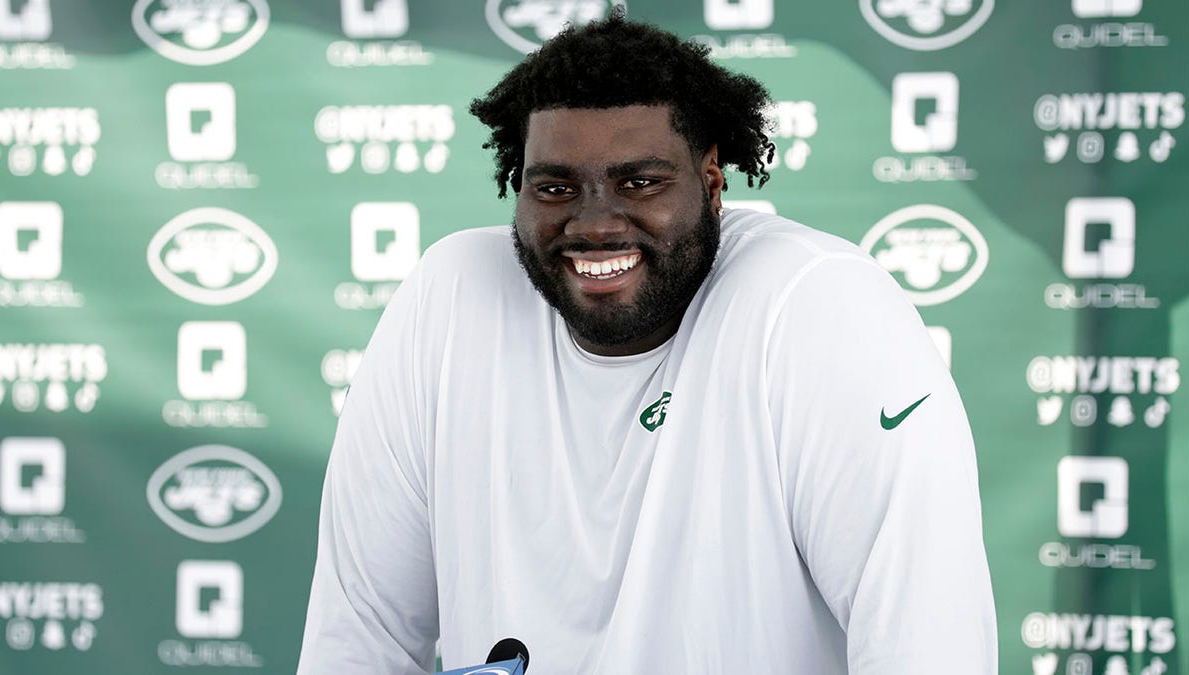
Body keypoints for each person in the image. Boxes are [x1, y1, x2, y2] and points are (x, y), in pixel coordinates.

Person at [297, 12, 997, 674]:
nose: (594, 222)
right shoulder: (449, 297)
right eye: (555, 186)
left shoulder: (819, 306)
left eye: (639, 182)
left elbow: (929, 645)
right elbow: (360, 635)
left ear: (712, 182)